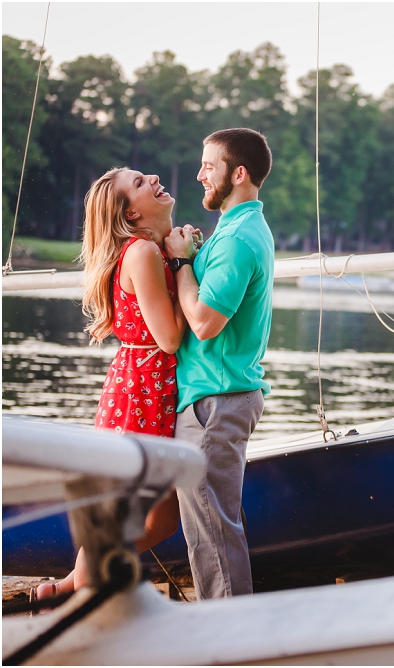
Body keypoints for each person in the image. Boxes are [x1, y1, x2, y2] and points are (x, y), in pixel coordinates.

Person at [37, 167, 196, 599]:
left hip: (146, 387)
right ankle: (76, 598)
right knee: (142, 517)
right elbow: (168, 338)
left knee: (159, 520)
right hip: (142, 393)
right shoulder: (142, 252)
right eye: (140, 182)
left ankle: (64, 589)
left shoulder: (150, 247)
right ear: (130, 212)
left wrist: (180, 255)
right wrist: (186, 265)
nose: (154, 176)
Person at [164, 128, 274, 599]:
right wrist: (193, 252)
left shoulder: (238, 239)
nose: (199, 174)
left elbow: (205, 322)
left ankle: (228, 645)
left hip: (216, 402)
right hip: (217, 397)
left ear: (239, 173)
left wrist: (182, 264)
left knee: (213, 537)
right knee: (215, 529)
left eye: (209, 166)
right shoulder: (231, 230)